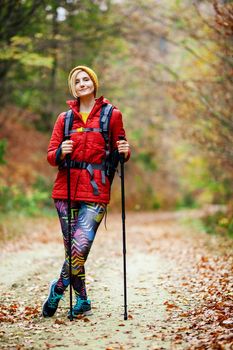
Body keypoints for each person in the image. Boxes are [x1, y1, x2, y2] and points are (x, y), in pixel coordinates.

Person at [42, 65, 130, 319]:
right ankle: (82, 300)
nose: (82, 83)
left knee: (80, 249)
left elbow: (120, 148)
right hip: (65, 191)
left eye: (86, 79)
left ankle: (57, 290)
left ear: (94, 82)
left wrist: (125, 150)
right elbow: (50, 156)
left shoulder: (112, 115)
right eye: (77, 81)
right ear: (73, 88)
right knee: (73, 251)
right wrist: (61, 152)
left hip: (96, 191)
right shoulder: (64, 119)